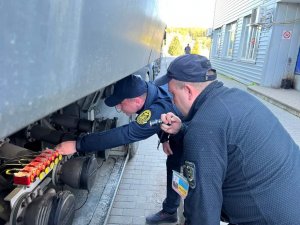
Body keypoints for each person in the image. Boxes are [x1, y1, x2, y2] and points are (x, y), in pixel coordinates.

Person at [156, 54, 300, 225]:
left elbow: (202, 213)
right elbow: (224, 136)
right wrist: (182, 129)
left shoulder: (203, 129)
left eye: (173, 94)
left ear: (188, 91)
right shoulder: (237, 97)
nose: (172, 101)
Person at [56, 74, 183, 224]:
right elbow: (159, 120)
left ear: (137, 100)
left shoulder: (158, 107)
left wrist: (78, 144)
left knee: (189, 179)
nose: (118, 107)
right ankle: (170, 210)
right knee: (173, 168)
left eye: (120, 103)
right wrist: (164, 138)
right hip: (177, 135)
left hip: (193, 140)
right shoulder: (151, 92)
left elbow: (126, 134)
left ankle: (185, 215)